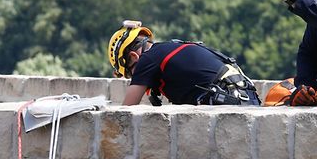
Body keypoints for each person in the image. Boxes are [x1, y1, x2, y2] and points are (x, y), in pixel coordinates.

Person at [107, 21, 260, 107]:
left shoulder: (147, 59)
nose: (133, 78)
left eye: (129, 73)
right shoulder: (169, 48)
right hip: (246, 97)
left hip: (228, 103)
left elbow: (125, 112)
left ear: (134, 57)